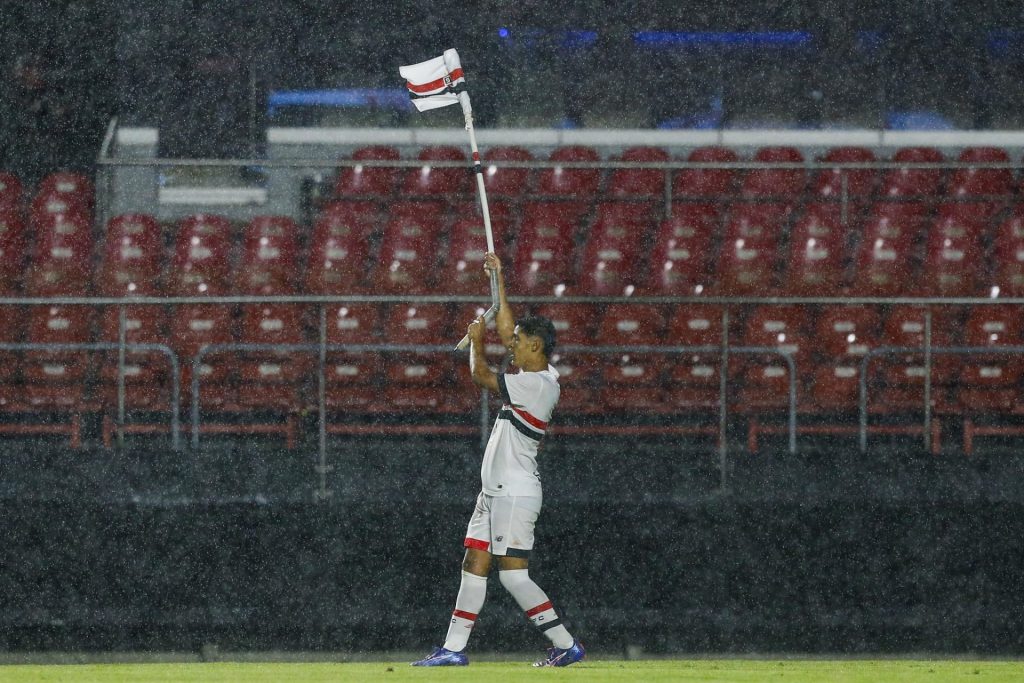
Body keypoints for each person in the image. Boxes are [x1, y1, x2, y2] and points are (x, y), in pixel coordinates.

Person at [412, 252, 585, 668]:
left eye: (518, 343)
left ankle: (565, 644)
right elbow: (507, 326)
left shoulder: (539, 385)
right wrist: (499, 278)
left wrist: (476, 340)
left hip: (515, 491)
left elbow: (482, 377)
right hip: (495, 491)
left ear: (536, 346)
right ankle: (453, 649)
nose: (511, 345)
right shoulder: (532, 375)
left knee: (512, 575)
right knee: (474, 563)